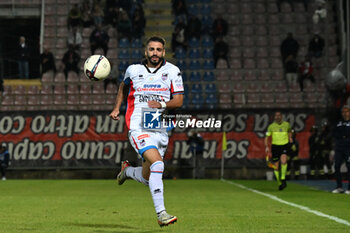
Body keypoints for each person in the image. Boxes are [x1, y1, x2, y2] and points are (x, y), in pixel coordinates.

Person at [109, 36, 184, 226]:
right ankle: (162, 214)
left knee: (147, 177)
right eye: (151, 49)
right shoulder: (133, 70)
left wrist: (160, 103)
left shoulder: (173, 71)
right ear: (146, 51)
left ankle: (127, 171)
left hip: (160, 129)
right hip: (138, 127)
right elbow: (122, 87)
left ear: (164, 52)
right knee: (158, 164)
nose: (155, 53)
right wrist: (117, 108)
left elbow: (179, 100)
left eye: (159, 50)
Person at [265, 111, 292, 190]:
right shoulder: (271, 126)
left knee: (284, 161)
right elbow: (266, 137)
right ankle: (279, 183)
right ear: (274, 117)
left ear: (281, 116)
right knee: (276, 167)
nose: (277, 117)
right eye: (276, 115)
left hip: (284, 145)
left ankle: (283, 178)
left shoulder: (286, 124)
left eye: (279, 115)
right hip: (275, 146)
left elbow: (289, 131)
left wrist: (290, 137)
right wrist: (266, 146)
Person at [332, 105, 350, 194]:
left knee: (349, 167)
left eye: (346, 111)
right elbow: (334, 133)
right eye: (343, 112)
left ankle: (349, 188)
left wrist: (346, 137)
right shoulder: (338, 122)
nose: (344, 113)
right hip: (339, 148)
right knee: (337, 166)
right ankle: (339, 187)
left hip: (348, 148)